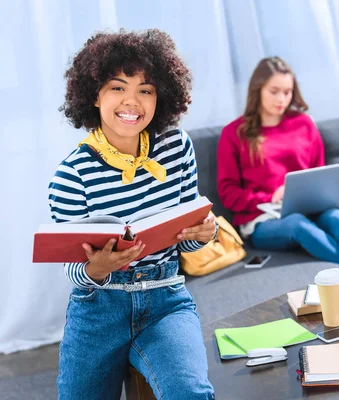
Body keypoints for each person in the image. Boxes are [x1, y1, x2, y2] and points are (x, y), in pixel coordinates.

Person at [50, 29, 215, 399]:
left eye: (146, 90)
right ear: (94, 95)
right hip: (98, 311)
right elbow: (73, 269)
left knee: (190, 393)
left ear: (162, 97)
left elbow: (186, 242)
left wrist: (204, 232)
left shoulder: (176, 146)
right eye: (117, 88)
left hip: (166, 300)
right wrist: (98, 267)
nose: (132, 101)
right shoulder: (70, 175)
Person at [217, 56, 339, 274]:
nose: (281, 99)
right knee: (298, 225)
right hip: (262, 220)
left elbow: (320, 172)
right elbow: (228, 193)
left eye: (287, 92)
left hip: (310, 209)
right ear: (258, 90)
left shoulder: (304, 124)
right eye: (274, 91)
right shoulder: (234, 133)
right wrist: (270, 197)